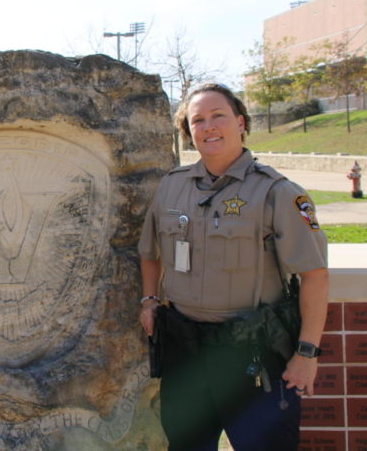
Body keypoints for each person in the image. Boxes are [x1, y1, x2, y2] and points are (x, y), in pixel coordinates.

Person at [138, 83, 329, 451]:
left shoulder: (278, 192)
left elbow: (315, 276)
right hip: (185, 348)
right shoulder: (171, 188)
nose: (209, 126)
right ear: (188, 133)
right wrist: (149, 299)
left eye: (218, 116)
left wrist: (307, 354)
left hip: (251, 350)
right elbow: (151, 251)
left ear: (240, 123)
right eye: (198, 120)